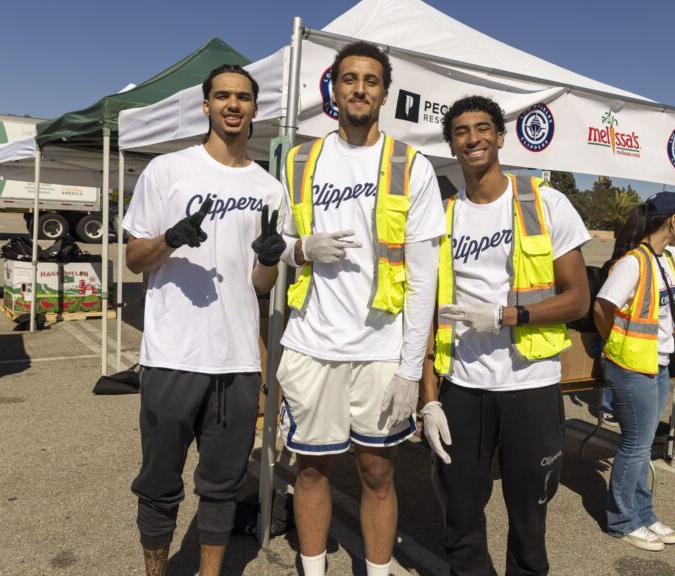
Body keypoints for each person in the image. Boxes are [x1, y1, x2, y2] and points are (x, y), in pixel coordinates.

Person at [276, 41, 445, 576]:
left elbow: (424, 280)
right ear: (334, 87)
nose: (359, 89)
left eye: (371, 81)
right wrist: (303, 248)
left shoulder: (411, 165)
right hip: (313, 343)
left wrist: (410, 370)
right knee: (311, 472)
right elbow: (278, 244)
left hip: (380, 347)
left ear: (385, 93)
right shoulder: (299, 160)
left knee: (378, 473)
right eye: (349, 78)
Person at [122, 64, 286, 576]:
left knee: (222, 486)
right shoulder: (167, 171)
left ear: (255, 108)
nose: (233, 104)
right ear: (206, 105)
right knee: (158, 484)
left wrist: (269, 260)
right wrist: (171, 238)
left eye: (243, 97)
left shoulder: (269, 188)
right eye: (222, 96)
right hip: (173, 354)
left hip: (237, 360)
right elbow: (134, 259)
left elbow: (260, 286)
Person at [420, 96, 591, 575]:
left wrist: (507, 315)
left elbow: (578, 299)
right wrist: (429, 399)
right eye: (460, 131)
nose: (472, 139)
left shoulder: (544, 202)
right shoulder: (443, 215)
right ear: (451, 144)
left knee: (529, 515)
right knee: (460, 513)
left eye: (482, 129)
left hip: (530, 386)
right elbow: (428, 315)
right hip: (464, 388)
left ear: (499, 137)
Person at [592, 192, 675, 552]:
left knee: (643, 446)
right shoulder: (633, 262)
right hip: (631, 365)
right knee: (635, 446)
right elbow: (602, 307)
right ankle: (622, 520)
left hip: (659, 362)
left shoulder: (665, 258)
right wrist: (615, 342)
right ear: (673, 220)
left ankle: (643, 513)